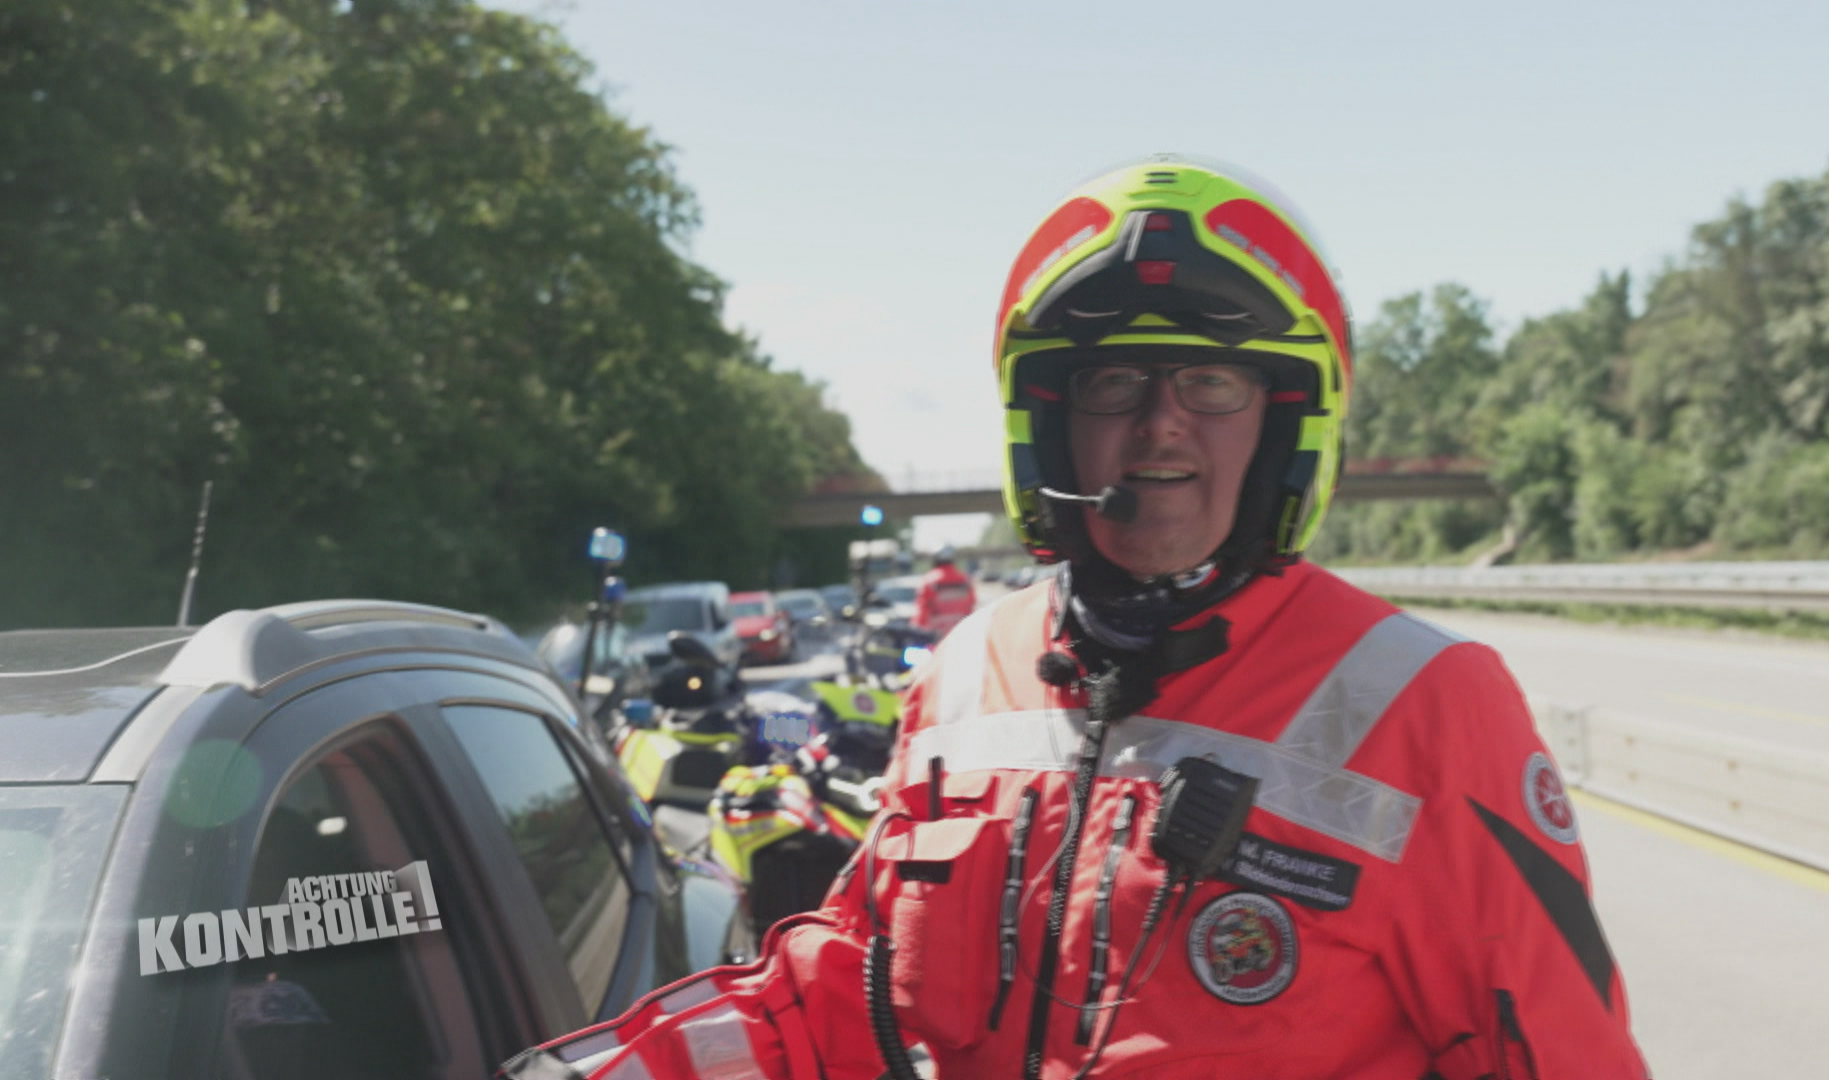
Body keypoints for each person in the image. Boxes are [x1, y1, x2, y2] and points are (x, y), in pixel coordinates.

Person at [503, 156, 1649, 1079]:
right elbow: (847, 1002)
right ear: (1052, 430)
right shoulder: (962, 675)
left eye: (1211, 384)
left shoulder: (1430, 705)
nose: (1160, 426)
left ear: (1284, 425)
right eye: (1114, 385)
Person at [912, 545, 977, 639]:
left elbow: (921, 613)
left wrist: (915, 630)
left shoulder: (928, 581)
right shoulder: (965, 580)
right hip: (961, 636)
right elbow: (971, 607)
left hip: (935, 638)